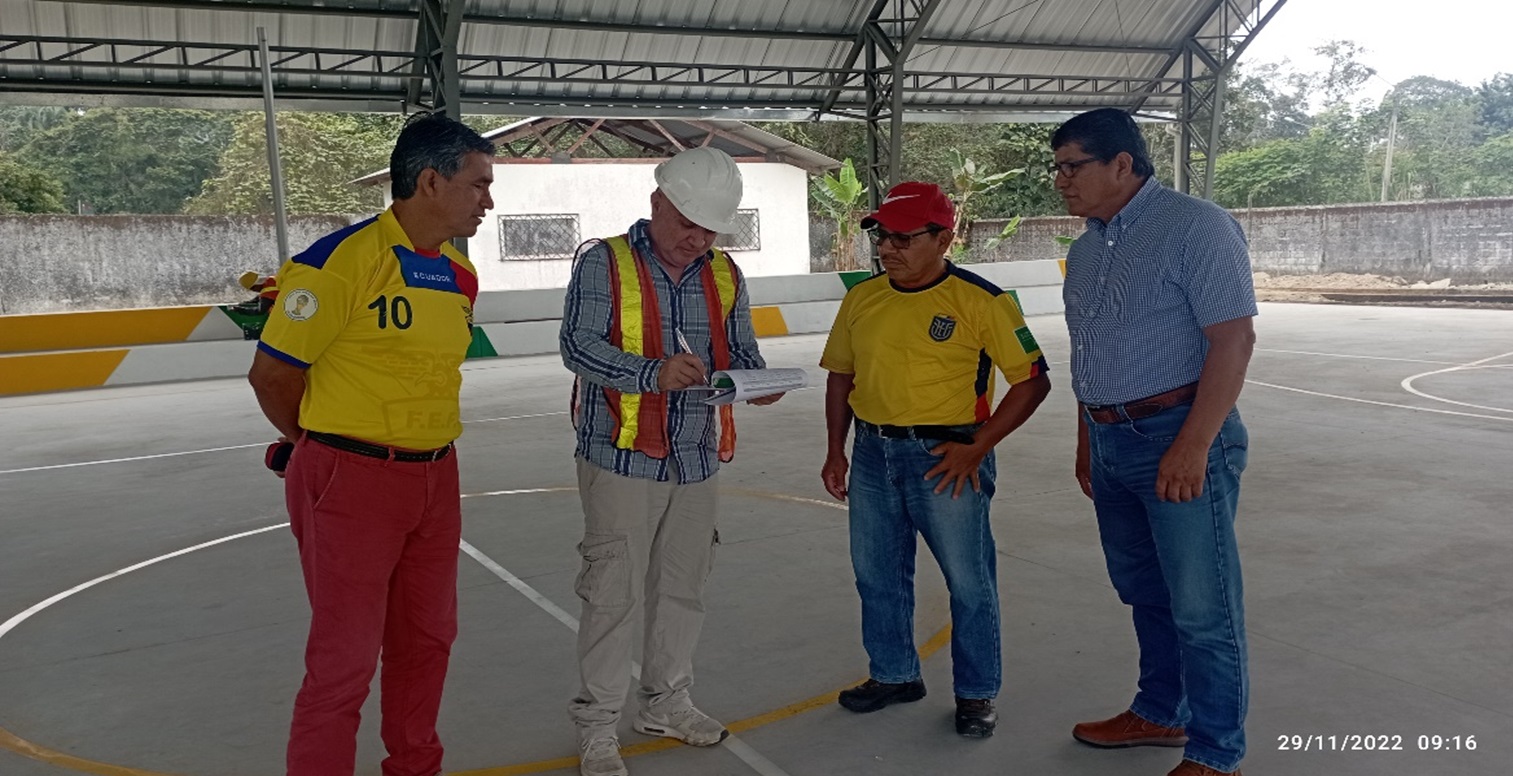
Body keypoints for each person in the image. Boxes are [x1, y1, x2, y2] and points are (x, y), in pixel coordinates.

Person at [247, 113, 495, 776]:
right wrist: (316, 446)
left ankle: (415, 765)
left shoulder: (460, 275)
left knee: (427, 641)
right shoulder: (337, 264)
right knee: (344, 661)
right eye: (478, 184)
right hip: (351, 479)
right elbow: (272, 376)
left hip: (436, 478)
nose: (488, 202)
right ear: (430, 181)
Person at [558, 146, 782, 776]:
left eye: (710, 229)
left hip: (695, 457)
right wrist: (651, 374)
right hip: (621, 455)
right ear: (657, 202)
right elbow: (577, 346)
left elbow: (742, 353)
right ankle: (598, 727)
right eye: (688, 223)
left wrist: (756, 382)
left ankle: (666, 703)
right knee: (612, 596)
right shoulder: (604, 262)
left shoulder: (726, 274)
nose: (697, 239)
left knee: (684, 590)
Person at [1052, 108, 1256, 776]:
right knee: (1144, 590)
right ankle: (1162, 711)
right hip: (1109, 440)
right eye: (1056, 168)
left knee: (1202, 605)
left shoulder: (1196, 226)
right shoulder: (1085, 251)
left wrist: (1193, 445)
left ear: (1122, 163)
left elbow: (1233, 340)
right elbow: (1090, 353)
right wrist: (1088, 438)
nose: (1061, 181)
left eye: (1071, 166)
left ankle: (1216, 752)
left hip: (1178, 434)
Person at [819, 182, 1052, 738]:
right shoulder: (862, 298)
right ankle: (895, 673)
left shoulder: (982, 301)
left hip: (947, 457)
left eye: (904, 238)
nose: (888, 248)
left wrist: (979, 445)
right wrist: (835, 450)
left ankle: (976, 693)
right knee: (877, 574)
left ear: (944, 239)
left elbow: (1032, 381)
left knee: (969, 583)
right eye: (882, 237)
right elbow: (841, 376)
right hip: (872, 453)